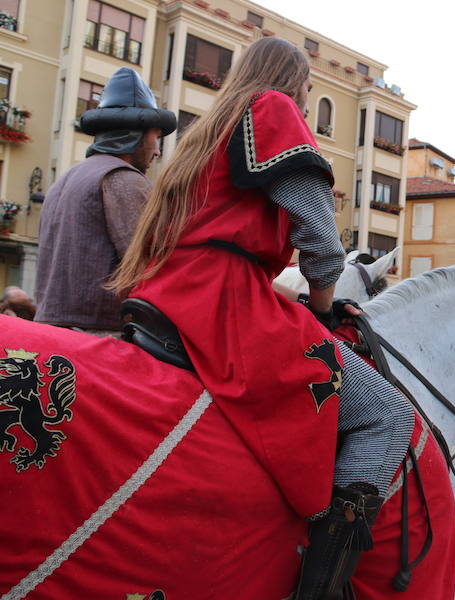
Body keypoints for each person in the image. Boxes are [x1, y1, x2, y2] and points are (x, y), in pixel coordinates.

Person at [106, 38, 437, 598]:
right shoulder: (272, 109)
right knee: (386, 412)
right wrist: (324, 309)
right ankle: (323, 590)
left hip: (170, 291)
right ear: (293, 79)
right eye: (308, 90)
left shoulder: (211, 126)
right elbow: (321, 239)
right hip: (223, 301)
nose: (306, 105)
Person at [34, 67, 175, 336]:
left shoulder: (65, 179)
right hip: (99, 338)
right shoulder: (123, 178)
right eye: (155, 137)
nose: (157, 150)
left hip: (51, 336)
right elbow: (152, 264)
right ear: (134, 134)